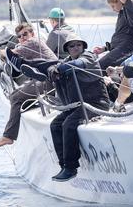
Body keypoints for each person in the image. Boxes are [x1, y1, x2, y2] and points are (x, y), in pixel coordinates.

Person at [48, 34, 109, 182]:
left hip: (96, 103)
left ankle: (71, 167)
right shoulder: (66, 61)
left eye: (78, 45)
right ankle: (63, 165)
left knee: (69, 124)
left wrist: (59, 68)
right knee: (55, 125)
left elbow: (79, 64)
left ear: (83, 47)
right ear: (67, 50)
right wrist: (52, 70)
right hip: (78, 105)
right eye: (72, 46)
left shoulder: (89, 56)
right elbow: (58, 67)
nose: (76, 48)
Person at [0, 23, 58, 147]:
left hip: (50, 81)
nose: (23, 37)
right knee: (14, 95)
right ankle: (21, 113)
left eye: (25, 34)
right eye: (20, 36)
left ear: (32, 34)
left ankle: (8, 136)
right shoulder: (29, 44)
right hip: (46, 79)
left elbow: (7, 53)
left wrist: (0, 51)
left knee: (16, 98)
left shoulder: (32, 42)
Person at [94, 0, 133, 70]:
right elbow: (120, 37)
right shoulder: (122, 14)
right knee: (96, 65)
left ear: (121, 2)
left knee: (99, 66)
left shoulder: (132, 11)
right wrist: (105, 48)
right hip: (120, 47)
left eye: (113, 6)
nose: (113, 9)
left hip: (127, 48)